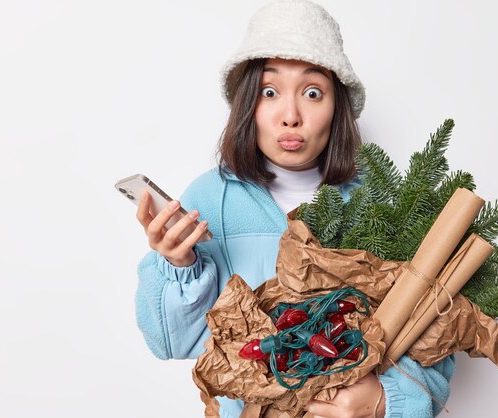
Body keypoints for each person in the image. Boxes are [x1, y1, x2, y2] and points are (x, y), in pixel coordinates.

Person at [134, 1, 455, 417]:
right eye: (269, 92)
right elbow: (170, 342)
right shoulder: (211, 201)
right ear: (247, 105)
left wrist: (384, 401)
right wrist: (177, 265)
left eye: (312, 93)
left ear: (337, 107)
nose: (291, 116)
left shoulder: (380, 206)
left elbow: (437, 342)